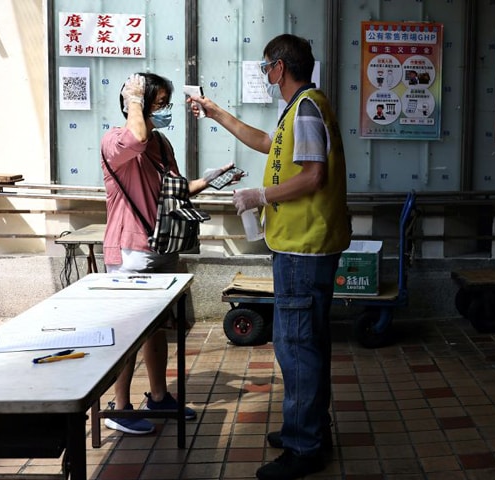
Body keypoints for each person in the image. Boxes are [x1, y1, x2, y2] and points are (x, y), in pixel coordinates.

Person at [189, 34, 350, 480]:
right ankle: (310, 428)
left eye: (266, 68)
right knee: (305, 343)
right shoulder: (299, 109)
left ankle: (305, 446)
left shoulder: (307, 109)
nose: (265, 75)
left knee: (297, 348)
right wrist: (217, 113)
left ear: (280, 67)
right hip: (302, 246)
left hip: (304, 247)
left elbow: (314, 176)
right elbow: (265, 143)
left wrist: (259, 194)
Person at [100, 72, 241, 435]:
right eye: (158, 104)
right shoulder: (115, 141)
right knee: (129, 332)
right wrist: (134, 96)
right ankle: (119, 407)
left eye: (164, 104)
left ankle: (159, 397)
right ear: (137, 104)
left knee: (156, 329)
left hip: (162, 248)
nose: (164, 111)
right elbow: (136, 136)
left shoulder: (162, 145)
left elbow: (175, 194)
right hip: (130, 251)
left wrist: (208, 180)